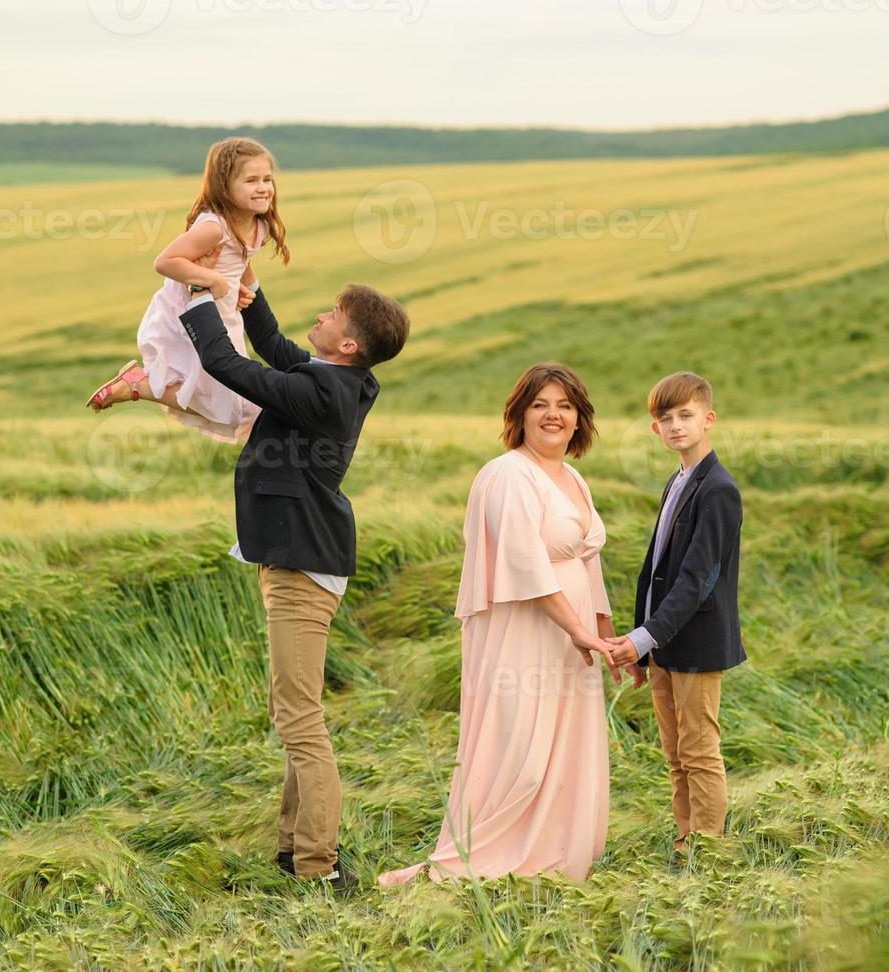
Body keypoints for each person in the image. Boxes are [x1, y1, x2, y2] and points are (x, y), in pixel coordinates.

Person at [179, 249, 410, 893]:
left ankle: (319, 866)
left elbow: (225, 364)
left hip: (304, 568)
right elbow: (278, 349)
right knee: (295, 708)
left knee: (298, 717)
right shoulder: (333, 380)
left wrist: (197, 295)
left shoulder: (326, 392)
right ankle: (293, 849)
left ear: (349, 340)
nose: (322, 314)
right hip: (298, 558)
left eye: (332, 312)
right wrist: (248, 291)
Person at [379, 363, 619, 886]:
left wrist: (604, 631)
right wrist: (578, 630)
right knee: (523, 747)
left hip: (572, 636)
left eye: (565, 406)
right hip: (528, 630)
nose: (553, 415)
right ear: (519, 415)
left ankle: (554, 854)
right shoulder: (507, 474)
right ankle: (498, 854)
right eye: (540, 405)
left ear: (580, 419)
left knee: (567, 742)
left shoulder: (573, 477)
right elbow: (523, 562)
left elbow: (587, 560)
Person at [605, 371, 745, 863]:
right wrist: (646, 647)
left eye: (685, 415)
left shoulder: (718, 489)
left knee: (700, 752)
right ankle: (685, 840)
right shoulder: (677, 481)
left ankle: (708, 852)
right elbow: (658, 570)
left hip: (696, 643)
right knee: (675, 754)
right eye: (665, 419)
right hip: (662, 644)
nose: (675, 426)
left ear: (708, 419)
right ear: (655, 430)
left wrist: (643, 638)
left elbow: (697, 579)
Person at [86, 136, 290, 443]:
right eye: (251, 180)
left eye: (267, 179)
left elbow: (242, 261)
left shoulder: (257, 225)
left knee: (232, 405)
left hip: (223, 313)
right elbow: (166, 262)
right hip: (192, 312)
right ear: (224, 186)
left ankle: (138, 385)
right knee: (226, 401)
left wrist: (239, 288)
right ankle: (139, 386)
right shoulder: (214, 227)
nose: (263, 187)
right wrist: (216, 281)